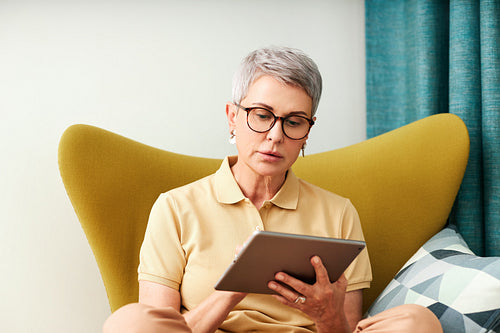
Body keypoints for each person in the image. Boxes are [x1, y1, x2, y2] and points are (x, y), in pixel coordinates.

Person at [103, 46, 442, 333]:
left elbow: (348, 327)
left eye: (294, 121)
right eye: (262, 115)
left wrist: (329, 316)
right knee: (131, 321)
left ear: (307, 132)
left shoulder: (338, 212)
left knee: (417, 321)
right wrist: (230, 291)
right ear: (232, 116)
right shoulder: (175, 207)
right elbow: (160, 324)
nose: (276, 135)